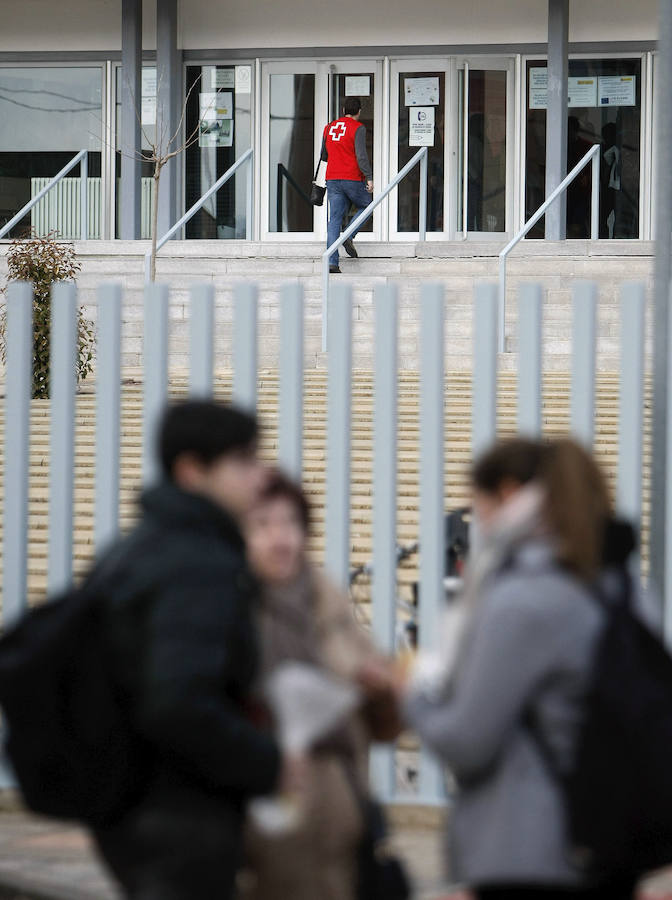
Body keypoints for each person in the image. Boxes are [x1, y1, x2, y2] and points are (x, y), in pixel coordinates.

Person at [402, 438, 638, 900]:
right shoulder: (618, 589)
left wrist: (410, 694)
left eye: (479, 504)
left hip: (532, 849)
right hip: (609, 837)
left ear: (508, 495)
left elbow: (468, 738)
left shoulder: (524, 600)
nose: (478, 521)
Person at [90, 401, 303, 900]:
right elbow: (177, 702)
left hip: (138, 806)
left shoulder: (141, 547)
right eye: (243, 462)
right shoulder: (197, 563)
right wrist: (268, 763)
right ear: (192, 470)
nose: (258, 476)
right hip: (178, 811)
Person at [238, 470, 401, 900]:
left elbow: (386, 727)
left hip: (343, 812)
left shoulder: (327, 600)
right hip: (268, 818)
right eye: (263, 524)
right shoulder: (233, 607)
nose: (280, 538)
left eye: (290, 523)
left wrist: (382, 690)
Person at [321, 96, 374, 274]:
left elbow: (324, 154)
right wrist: (369, 176)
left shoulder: (329, 128)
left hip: (332, 179)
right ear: (359, 112)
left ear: (344, 110)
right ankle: (349, 235)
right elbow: (361, 155)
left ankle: (332, 263)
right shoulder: (358, 128)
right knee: (367, 205)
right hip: (351, 177)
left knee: (334, 220)